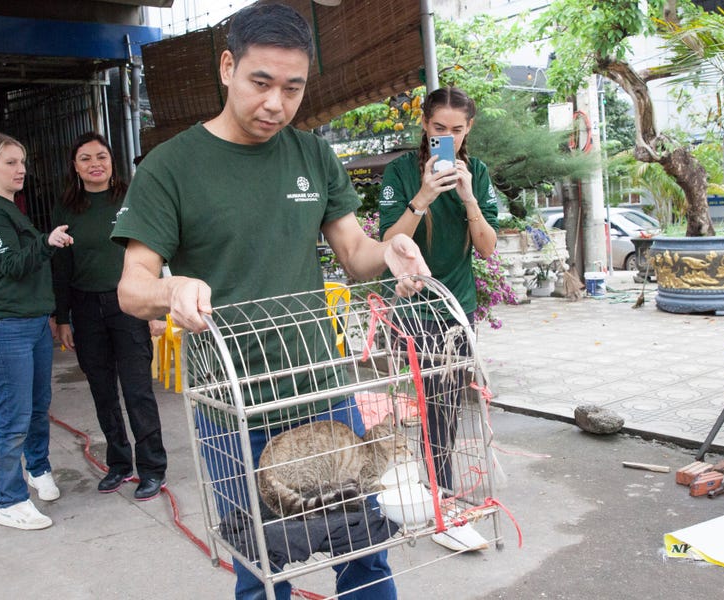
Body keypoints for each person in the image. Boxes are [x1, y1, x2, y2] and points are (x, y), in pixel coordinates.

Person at [112, 5, 429, 598]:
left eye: (293, 88)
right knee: (261, 566)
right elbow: (132, 288)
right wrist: (173, 288)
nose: (276, 105)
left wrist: (393, 250)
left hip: (321, 391)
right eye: (261, 83)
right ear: (228, 67)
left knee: (364, 548)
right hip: (234, 408)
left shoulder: (312, 155)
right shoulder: (171, 168)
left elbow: (357, 254)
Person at [377, 87, 498, 551]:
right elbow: (389, 241)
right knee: (431, 399)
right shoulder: (402, 172)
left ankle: (436, 490)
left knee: (445, 402)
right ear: (425, 125)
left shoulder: (478, 173)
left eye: (457, 130)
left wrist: (467, 196)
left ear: (468, 130)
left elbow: (486, 247)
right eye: (439, 128)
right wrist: (424, 195)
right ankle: (435, 493)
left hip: (455, 303)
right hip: (412, 303)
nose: (446, 136)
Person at [51, 132, 168, 501]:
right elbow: (61, 265)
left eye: (101, 156)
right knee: (102, 391)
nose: (94, 164)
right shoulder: (67, 208)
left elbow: (155, 249)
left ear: (112, 161)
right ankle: (119, 463)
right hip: (85, 309)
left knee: (137, 390)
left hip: (129, 303)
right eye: (85, 158)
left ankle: (152, 468)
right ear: (75, 166)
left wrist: (156, 308)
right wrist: (62, 316)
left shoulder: (132, 199)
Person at [0, 131, 74, 530]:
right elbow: (12, 265)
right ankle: (11, 501)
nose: (20, 170)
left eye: (22, 162)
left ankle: (38, 468)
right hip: (4, 325)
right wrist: (47, 242)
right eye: (10, 162)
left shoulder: (11, 209)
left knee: (36, 404)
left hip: (30, 323)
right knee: (13, 415)